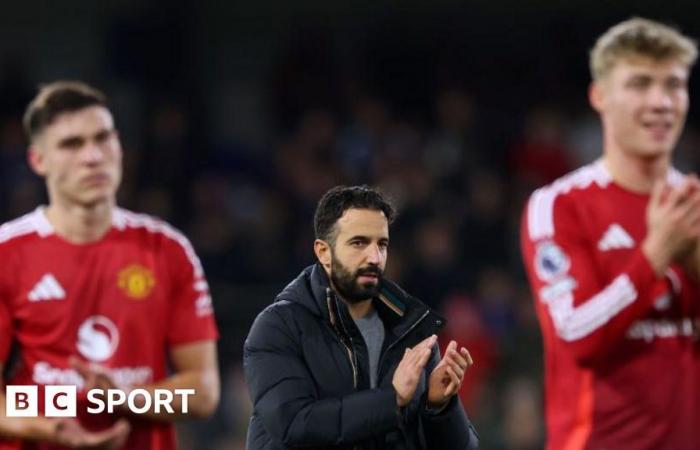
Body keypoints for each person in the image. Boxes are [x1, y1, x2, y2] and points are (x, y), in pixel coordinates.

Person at [0, 81, 220, 449]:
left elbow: (202, 393)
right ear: (38, 160)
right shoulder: (7, 254)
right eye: (72, 144)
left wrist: (124, 398)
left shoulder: (168, 250)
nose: (93, 156)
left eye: (103, 138)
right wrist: (53, 430)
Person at [521, 18, 700, 450]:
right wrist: (656, 254)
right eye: (639, 84)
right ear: (599, 96)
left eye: (673, 85)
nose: (661, 102)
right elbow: (575, 336)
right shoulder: (561, 205)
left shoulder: (694, 204)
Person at [244, 185, 479, 450]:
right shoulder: (279, 327)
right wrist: (392, 400)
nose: (374, 257)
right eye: (359, 243)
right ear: (323, 252)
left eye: (382, 244)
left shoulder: (413, 330)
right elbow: (293, 425)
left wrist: (439, 407)